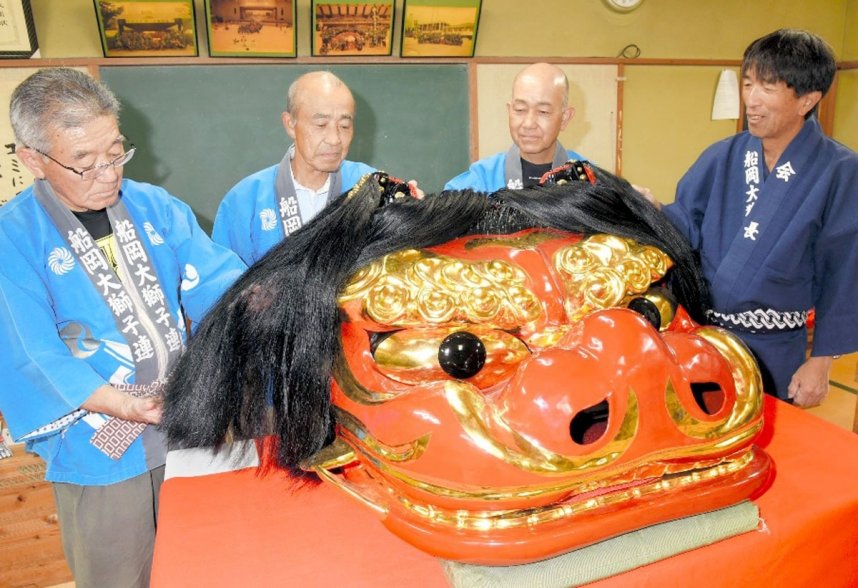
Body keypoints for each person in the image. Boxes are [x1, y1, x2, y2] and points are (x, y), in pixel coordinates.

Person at [0, 68, 246, 587]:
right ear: (33, 160)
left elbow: (225, 286)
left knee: (202, 564)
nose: (108, 173)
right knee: (120, 576)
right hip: (100, 446)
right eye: (84, 163)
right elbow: (29, 351)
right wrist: (123, 404)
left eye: (116, 152)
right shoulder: (14, 236)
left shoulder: (154, 206)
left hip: (184, 428)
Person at [656, 29, 858, 407]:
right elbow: (681, 226)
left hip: (777, 352)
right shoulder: (721, 156)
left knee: (773, 453)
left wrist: (821, 361)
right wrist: (647, 213)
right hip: (706, 341)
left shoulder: (840, 171)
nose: (751, 99)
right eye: (748, 83)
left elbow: (845, 270)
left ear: (807, 100)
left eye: (767, 87)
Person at [212, 71, 377, 265]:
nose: (334, 139)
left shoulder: (371, 185)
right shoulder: (245, 199)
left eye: (344, 126)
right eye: (321, 124)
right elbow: (222, 282)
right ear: (290, 124)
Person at [444, 62, 585, 192]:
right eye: (520, 109)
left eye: (543, 112)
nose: (528, 124)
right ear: (509, 111)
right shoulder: (481, 180)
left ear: (565, 118)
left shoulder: (587, 178)